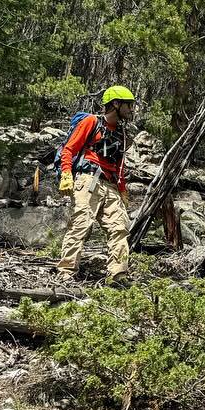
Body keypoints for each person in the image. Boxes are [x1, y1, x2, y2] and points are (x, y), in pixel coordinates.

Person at [56, 86, 135, 284]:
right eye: (128, 105)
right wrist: (66, 173)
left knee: (120, 228)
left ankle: (118, 275)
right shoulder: (92, 122)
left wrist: (122, 191)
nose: (131, 109)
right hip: (87, 180)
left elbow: (119, 166)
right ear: (116, 104)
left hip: (110, 185)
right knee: (81, 224)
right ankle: (66, 273)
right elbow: (69, 149)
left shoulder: (122, 134)